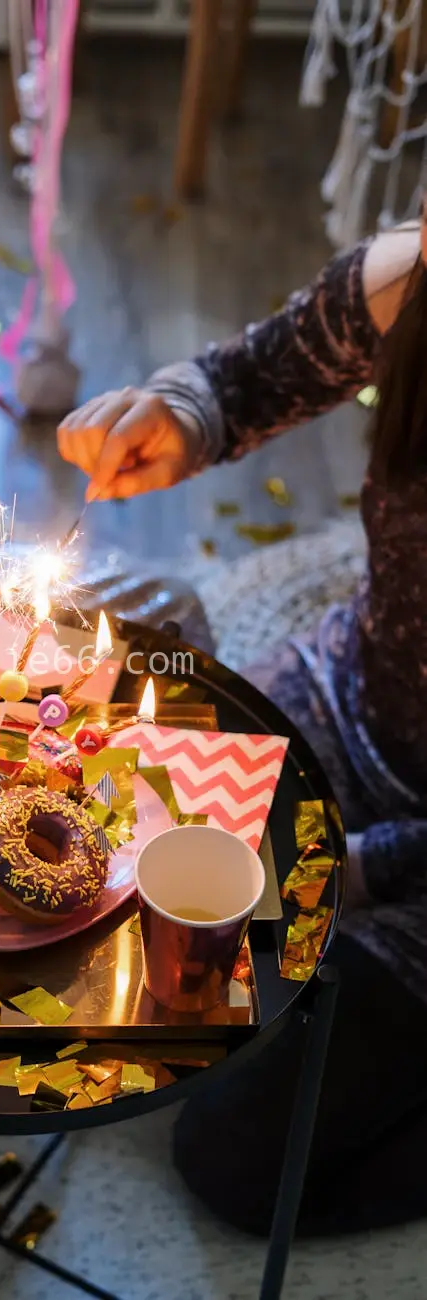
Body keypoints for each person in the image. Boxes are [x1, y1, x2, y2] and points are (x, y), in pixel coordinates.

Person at [58, 220, 427, 1237]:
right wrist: (178, 414)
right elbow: (244, 380)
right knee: (86, 863)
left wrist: (369, 866)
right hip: (351, 706)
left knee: (236, 1155)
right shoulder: (413, 279)